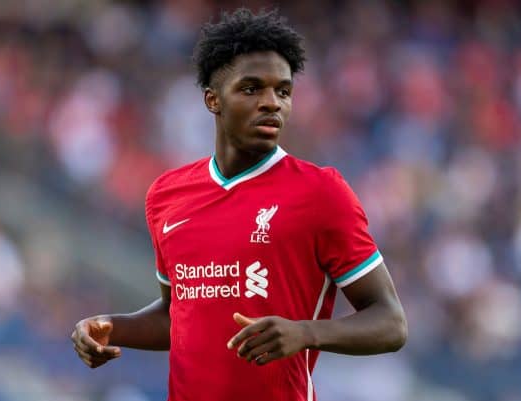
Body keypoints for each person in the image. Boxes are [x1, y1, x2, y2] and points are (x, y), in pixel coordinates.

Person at [71, 8, 407, 401]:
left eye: (282, 91)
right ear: (213, 100)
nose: (272, 103)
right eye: (251, 89)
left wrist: (305, 333)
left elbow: (390, 322)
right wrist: (112, 326)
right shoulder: (166, 195)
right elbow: (179, 314)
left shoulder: (321, 192)